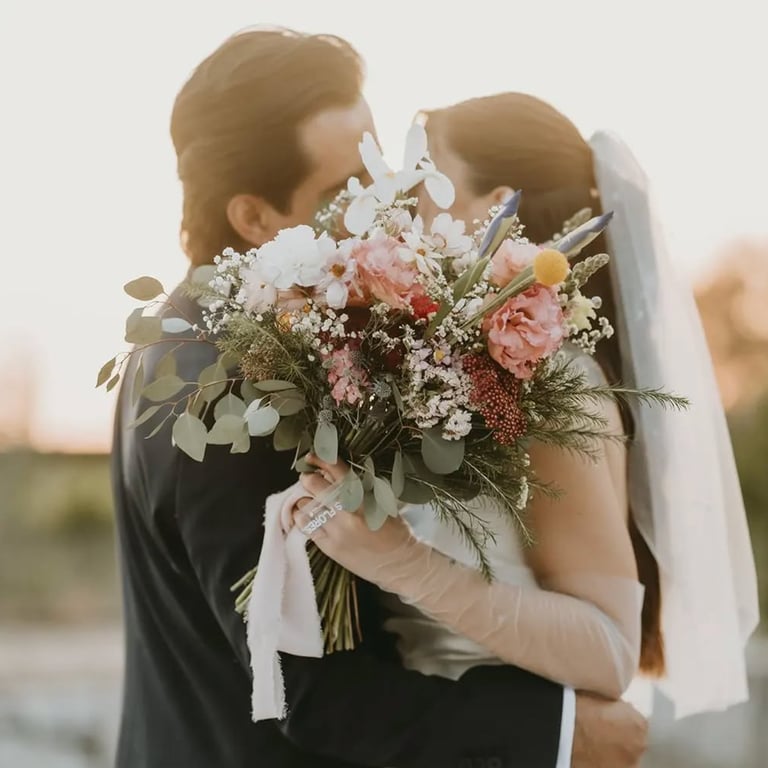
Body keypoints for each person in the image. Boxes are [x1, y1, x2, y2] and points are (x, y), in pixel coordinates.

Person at [111, 33, 647, 768]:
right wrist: (558, 732)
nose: (383, 200)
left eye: (376, 167)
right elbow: (319, 691)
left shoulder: (206, 337)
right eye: (343, 191)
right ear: (254, 219)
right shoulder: (227, 385)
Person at [293, 92, 758, 720]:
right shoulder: (446, 370)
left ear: (497, 210)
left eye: (428, 183)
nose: (404, 205)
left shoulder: (557, 386)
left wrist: (403, 562)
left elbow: (610, 650)